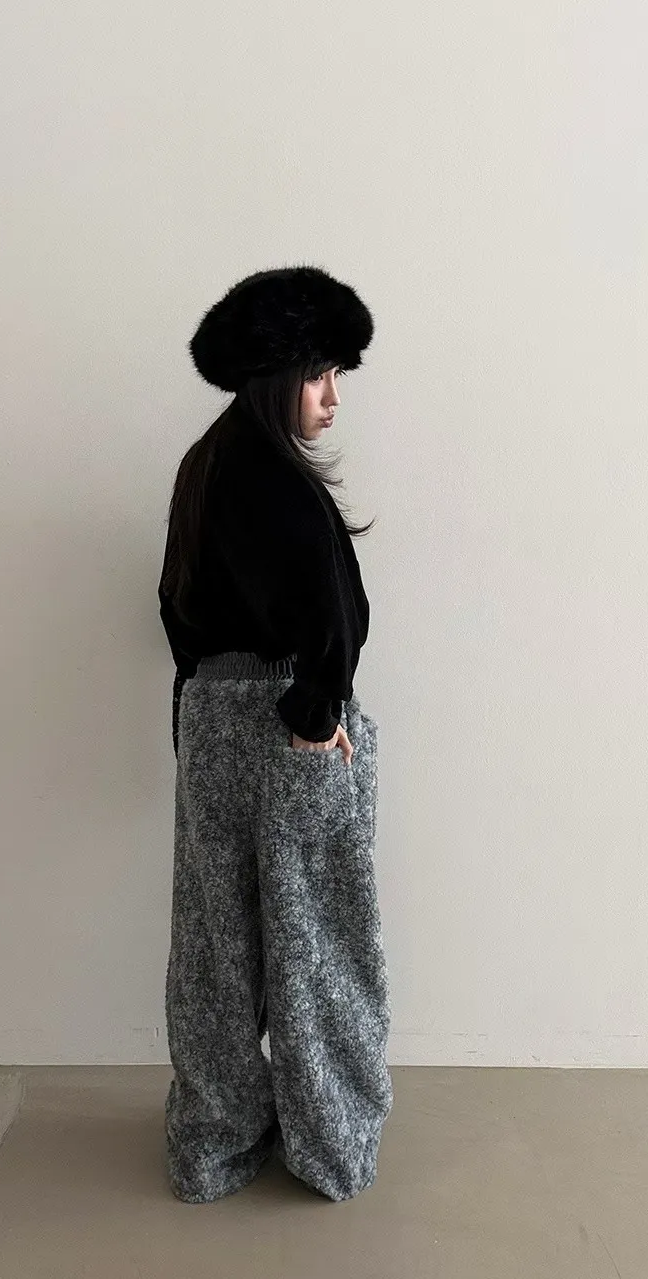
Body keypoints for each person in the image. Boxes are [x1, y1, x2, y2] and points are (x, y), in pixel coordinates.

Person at [158, 265, 394, 1203]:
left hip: (212, 720)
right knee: (317, 947)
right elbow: (331, 617)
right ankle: (331, 1148)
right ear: (275, 376)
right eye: (319, 374)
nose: (332, 397)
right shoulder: (281, 480)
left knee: (214, 952)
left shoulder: (204, 465)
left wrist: (194, 717)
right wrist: (316, 715)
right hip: (290, 723)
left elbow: (175, 608)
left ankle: (211, 1149)